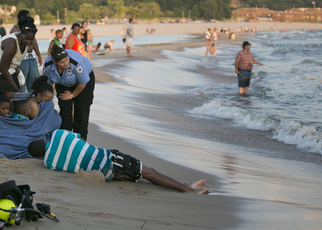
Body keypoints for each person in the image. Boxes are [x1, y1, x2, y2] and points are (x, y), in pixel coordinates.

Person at [28, 129, 210, 194]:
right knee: (150, 173)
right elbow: (79, 140)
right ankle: (191, 191)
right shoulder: (59, 134)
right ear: (43, 141)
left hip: (107, 173)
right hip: (108, 159)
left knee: (148, 172)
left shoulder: (48, 164)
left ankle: (185, 185)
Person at [43, 45, 95, 141]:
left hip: (83, 82)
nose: (66, 63)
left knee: (81, 109)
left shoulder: (76, 63)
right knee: (65, 110)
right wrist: (49, 98)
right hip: (62, 82)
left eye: (67, 60)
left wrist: (72, 95)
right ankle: (64, 139)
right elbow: (48, 83)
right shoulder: (48, 65)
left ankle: (80, 140)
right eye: (62, 62)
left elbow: (83, 82)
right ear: (55, 62)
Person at [0, 16, 37, 92]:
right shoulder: (12, 43)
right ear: (21, 33)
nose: (29, 41)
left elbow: (28, 50)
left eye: (31, 39)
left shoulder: (27, 43)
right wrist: (17, 90)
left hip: (9, 68)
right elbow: (3, 70)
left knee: (16, 97)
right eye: (26, 38)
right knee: (6, 96)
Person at [10, 10, 42, 93]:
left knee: (34, 83)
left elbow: (34, 42)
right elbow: (14, 47)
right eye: (28, 16)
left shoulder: (30, 28)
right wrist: (16, 64)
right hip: (22, 60)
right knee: (22, 83)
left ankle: (33, 102)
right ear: (22, 18)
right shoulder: (15, 29)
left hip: (31, 58)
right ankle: (22, 101)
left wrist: (39, 55)